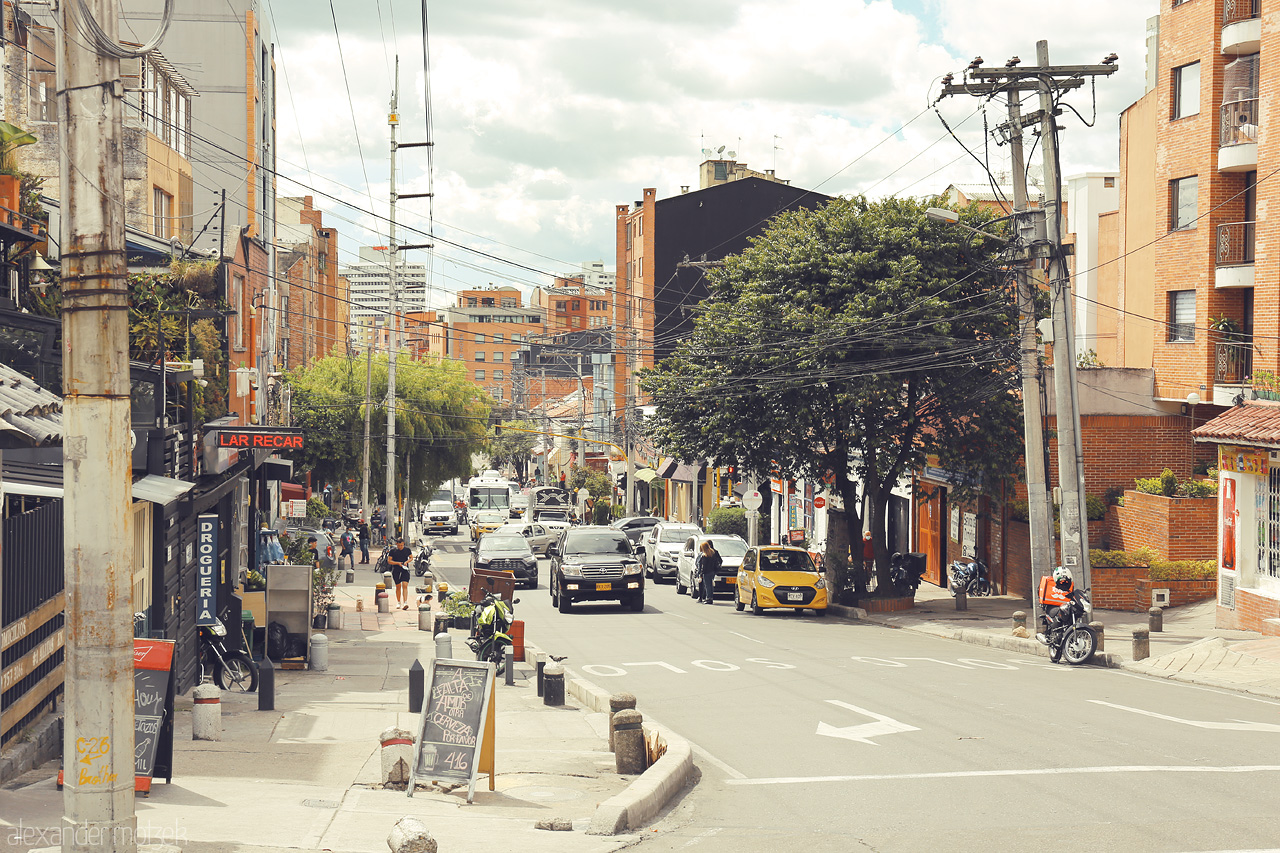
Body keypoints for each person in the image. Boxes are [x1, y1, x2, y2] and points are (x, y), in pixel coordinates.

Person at [386, 536, 413, 610]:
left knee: (405, 585)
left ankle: (405, 602)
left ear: (403, 544)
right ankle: (398, 602)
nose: (400, 547)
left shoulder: (407, 550)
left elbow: (411, 557)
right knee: (398, 586)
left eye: (401, 545)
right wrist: (397, 563)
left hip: (405, 569)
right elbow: (389, 561)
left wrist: (407, 562)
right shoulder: (393, 551)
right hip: (396, 569)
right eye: (399, 545)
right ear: (396, 544)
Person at [697, 540, 721, 604]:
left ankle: (708, 599)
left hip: (706, 572)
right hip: (712, 572)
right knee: (711, 585)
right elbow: (718, 561)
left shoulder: (704, 555)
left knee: (707, 586)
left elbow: (703, 566)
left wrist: (701, 574)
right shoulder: (713, 553)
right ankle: (711, 597)